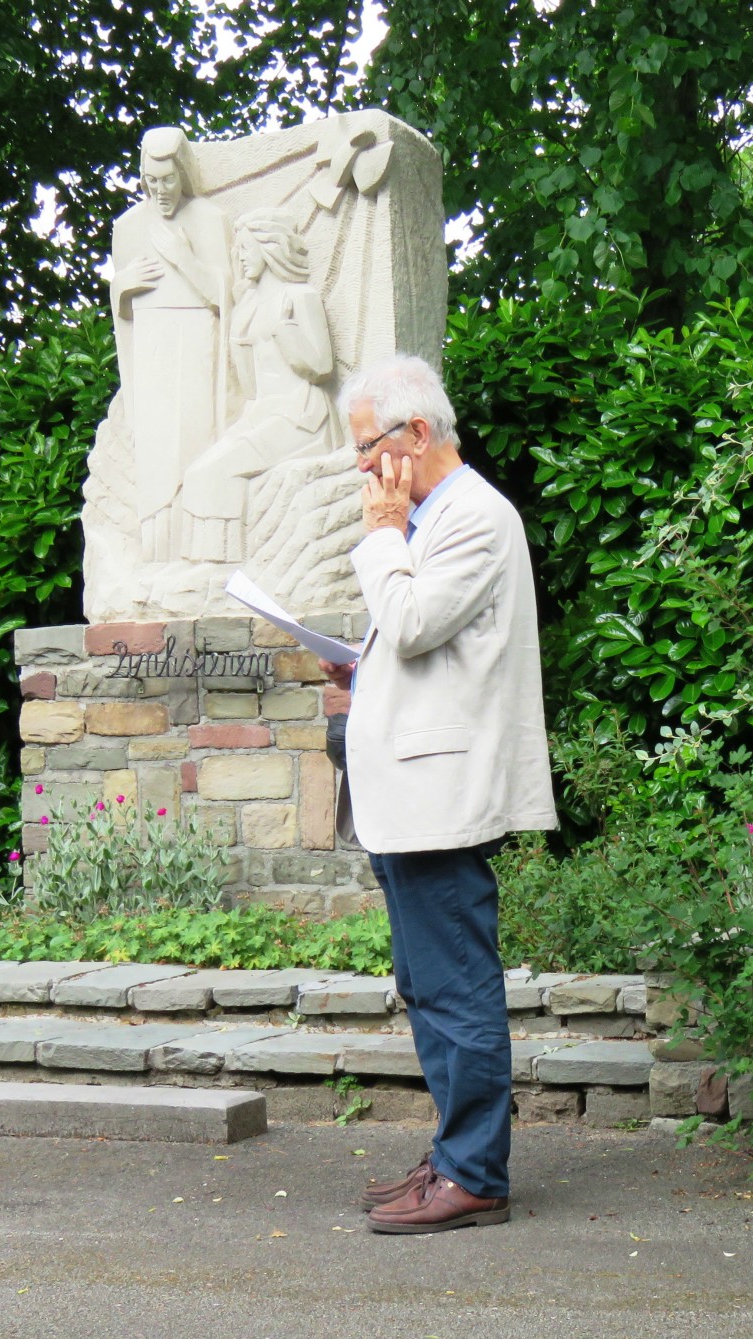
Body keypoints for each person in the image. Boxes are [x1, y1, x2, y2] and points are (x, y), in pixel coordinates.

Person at [317, 353, 559, 1235]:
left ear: (417, 434)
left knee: (456, 988)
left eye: (367, 447)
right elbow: (420, 638)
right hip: (409, 793)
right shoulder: (431, 519)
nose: (362, 468)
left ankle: (475, 1176)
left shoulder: (472, 517)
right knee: (427, 985)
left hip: (441, 794)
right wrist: (358, 659)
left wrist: (382, 534)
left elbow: (416, 621)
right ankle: (456, 1157)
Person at [179, 211, 337, 562]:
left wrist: (286, 332)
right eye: (237, 251)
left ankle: (220, 565)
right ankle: (207, 563)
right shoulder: (248, 306)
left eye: (247, 248)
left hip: (302, 417)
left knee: (216, 472)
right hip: (264, 413)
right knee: (196, 473)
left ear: (270, 249)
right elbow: (252, 389)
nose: (241, 257)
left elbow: (322, 367)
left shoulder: (299, 297)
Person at [107, 126, 233, 563]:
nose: (159, 191)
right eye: (150, 180)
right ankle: (156, 556)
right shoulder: (127, 227)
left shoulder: (210, 220)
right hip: (152, 344)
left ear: (183, 174)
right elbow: (121, 310)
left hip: (198, 340)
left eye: (168, 179)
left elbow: (225, 297)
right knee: (157, 449)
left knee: (195, 444)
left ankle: (194, 553)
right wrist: (123, 286)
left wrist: (184, 260)